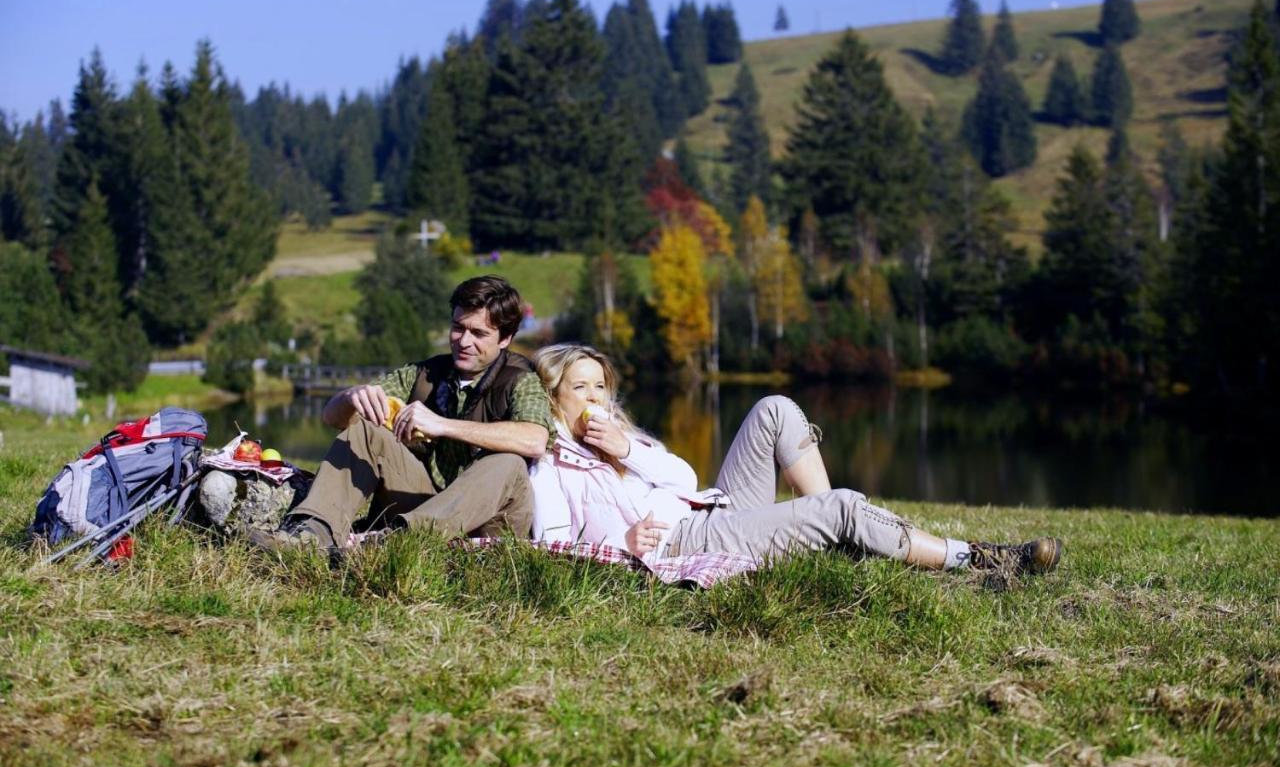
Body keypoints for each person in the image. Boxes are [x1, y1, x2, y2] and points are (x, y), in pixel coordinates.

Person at [528, 343, 1062, 576]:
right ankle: (982, 559)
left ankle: (835, 531)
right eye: (582, 387)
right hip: (682, 541)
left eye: (601, 385)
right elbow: (548, 542)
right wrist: (620, 545)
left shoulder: (616, 440)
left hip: (710, 509)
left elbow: (686, 477)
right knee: (845, 508)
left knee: (776, 408)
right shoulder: (550, 464)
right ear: (554, 397)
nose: (597, 397)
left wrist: (626, 448)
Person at [251, 276, 556, 553]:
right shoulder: (424, 373)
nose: (464, 342)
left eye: (478, 333)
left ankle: (398, 545)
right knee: (366, 430)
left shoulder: (521, 379)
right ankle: (310, 535)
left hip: (489, 521)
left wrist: (443, 426)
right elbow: (333, 419)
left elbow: (535, 440)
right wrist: (350, 397)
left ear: (505, 339)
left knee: (508, 461)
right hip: (420, 507)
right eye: (458, 327)